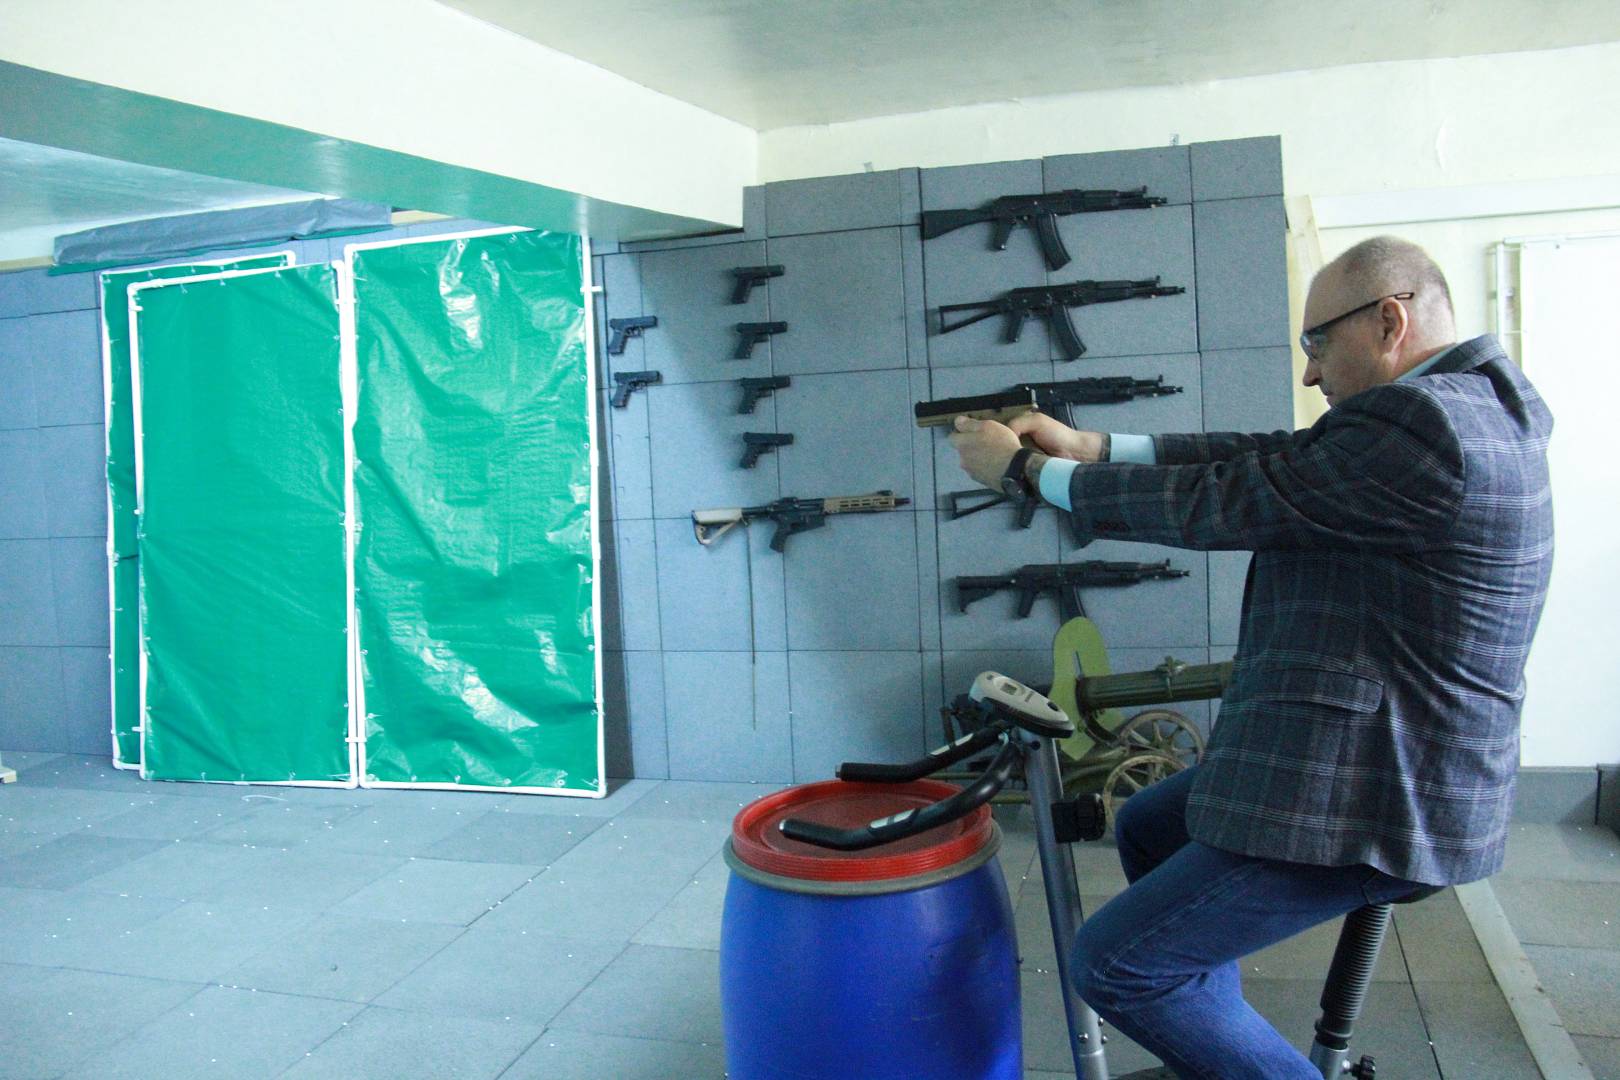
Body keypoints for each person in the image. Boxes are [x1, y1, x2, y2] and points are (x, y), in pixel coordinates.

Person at [948, 235, 1554, 1078]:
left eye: (1317, 342)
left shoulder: (1431, 426)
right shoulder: (1448, 410)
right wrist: (1090, 448)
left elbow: (1232, 498)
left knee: (1117, 965)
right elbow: (1272, 458)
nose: (1310, 372)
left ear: (1389, 321)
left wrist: (1027, 474)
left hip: (1383, 788)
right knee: (1150, 825)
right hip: (1388, 757)